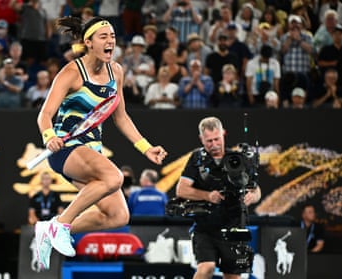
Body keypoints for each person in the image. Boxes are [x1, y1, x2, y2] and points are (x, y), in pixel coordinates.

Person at [33, 16, 167, 271]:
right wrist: (49, 137)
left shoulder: (116, 71)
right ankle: (60, 226)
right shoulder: (72, 71)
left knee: (118, 216)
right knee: (115, 177)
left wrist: (146, 147)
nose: (110, 42)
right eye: (104, 37)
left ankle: (52, 227)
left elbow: (121, 116)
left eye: (113, 37)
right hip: (66, 149)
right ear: (89, 42)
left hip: (91, 151)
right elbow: (45, 114)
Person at [175, 116, 261, 279]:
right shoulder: (197, 158)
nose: (214, 145)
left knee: (233, 276)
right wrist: (208, 196)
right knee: (206, 268)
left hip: (233, 226)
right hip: (205, 227)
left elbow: (256, 190)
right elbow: (181, 190)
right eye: (209, 141)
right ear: (201, 139)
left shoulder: (237, 159)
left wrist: (253, 196)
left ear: (224, 134)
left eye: (217, 139)